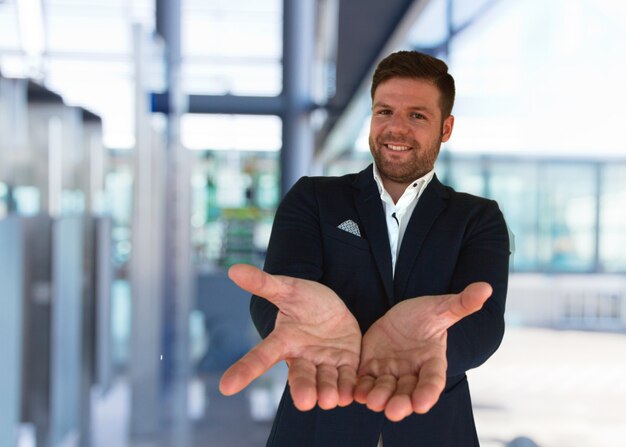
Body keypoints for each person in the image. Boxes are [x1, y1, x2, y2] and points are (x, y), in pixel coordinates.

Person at [220, 50, 510, 446]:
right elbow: (282, 294)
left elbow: (486, 322)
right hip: (319, 423)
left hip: (434, 425)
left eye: (417, 115)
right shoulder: (314, 199)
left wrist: (433, 347)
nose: (396, 128)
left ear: (446, 127)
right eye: (384, 111)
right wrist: (296, 326)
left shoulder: (478, 218)